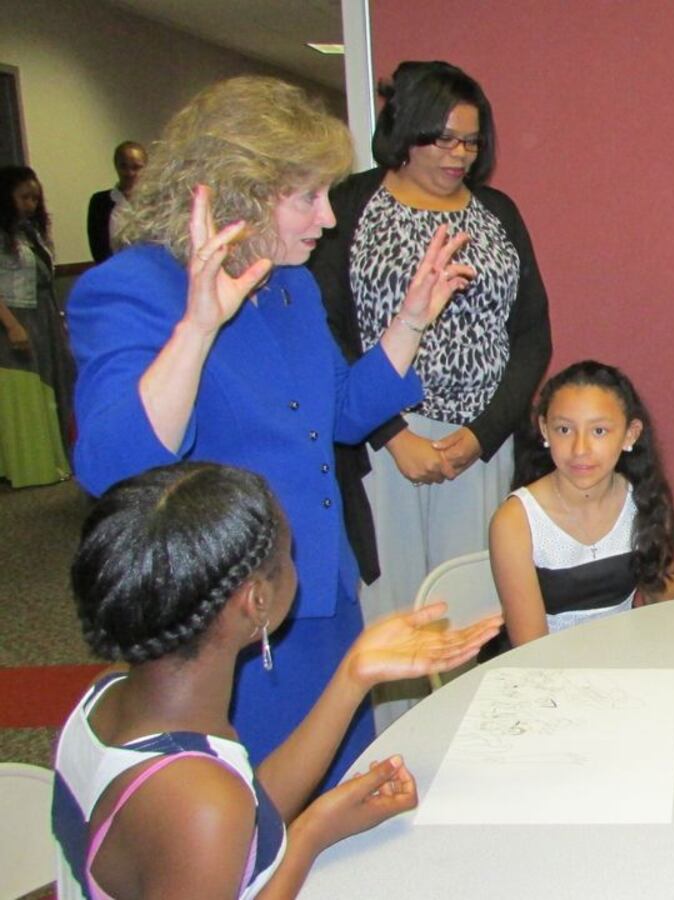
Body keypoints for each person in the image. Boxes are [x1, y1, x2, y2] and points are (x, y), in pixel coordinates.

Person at [68, 75, 474, 789]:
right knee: (250, 820)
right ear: (236, 191)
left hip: (319, 589)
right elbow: (113, 464)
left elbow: (339, 414)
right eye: (307, 197)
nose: (326, 218)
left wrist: (411, 321)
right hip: (223, 624)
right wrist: (197, 330)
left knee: (338, 796)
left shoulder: (290, 285)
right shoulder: (133, 288)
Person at [54, 461, 502, 899]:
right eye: (287, 556)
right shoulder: (199, 799)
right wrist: (309, 834)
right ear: (256, 600)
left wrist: (353, 675)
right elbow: (215, 813)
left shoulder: (112, 691)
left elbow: (240, 812)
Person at [310, 60, 551, 728]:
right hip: (385, 444)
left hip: (479, 441)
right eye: (442, 139)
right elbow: (328, 331)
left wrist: (481, 435)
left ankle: (470, 746)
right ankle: (391, 755)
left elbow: (532, 333)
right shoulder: (351, 206)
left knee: (475, 607)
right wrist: (393, 433)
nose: (459, 155)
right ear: (404, 132)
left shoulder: (497, 212)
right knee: (396, 612)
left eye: (471, 142)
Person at [488, 360, 674, 646]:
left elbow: (666, 618)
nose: (580, 449)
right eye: (564, 430)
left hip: (625, 664)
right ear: (544, 430)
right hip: (545, 672)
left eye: (599, 431)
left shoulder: (644, 502)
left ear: (630, 434)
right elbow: (530, 650)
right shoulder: (516, 521)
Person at [0, 165, 74, 486]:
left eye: (35, 198)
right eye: (23, 197)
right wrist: (13, 326)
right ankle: (29, 466)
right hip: (15, 316)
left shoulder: (30, 232)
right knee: (25, 387)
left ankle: (58, 459)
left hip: (43, 312)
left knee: (54, 381)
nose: (30, 204)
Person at [86, 141, 146, 263]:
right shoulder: (99, 202)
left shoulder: (154, 200)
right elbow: (97, 246)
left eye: (136, 167)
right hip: (113, 271)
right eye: (123, 166)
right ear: (116, 166)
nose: (129, 173)